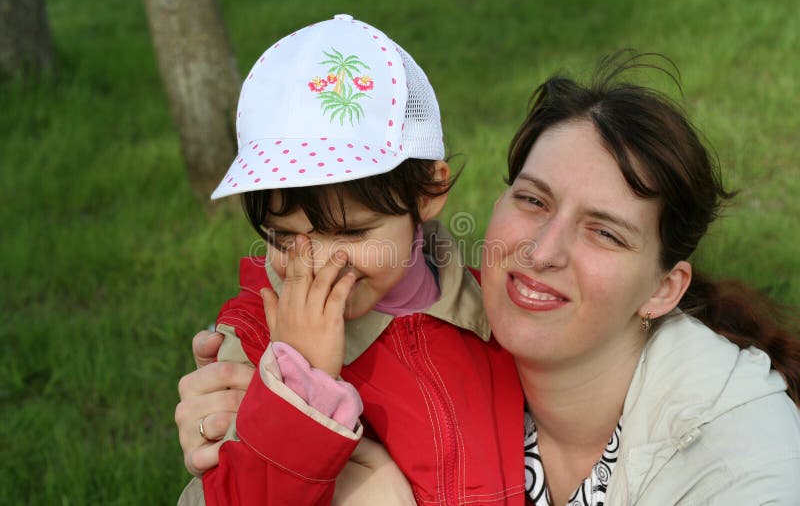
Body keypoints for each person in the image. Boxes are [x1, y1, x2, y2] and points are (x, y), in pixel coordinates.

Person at [177, 52, 800, 505]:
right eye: (532, 200)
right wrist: (284, 402)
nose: (543, 252)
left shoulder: (740, 454)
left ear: (665, 286)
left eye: (604, 232)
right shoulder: (463, 315)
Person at [177, 14, 526, 505]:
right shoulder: (256, 344)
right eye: (284, 236)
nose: (318, 264)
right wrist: (301, 386)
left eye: (351, 231)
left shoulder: (496, 313)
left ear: (429, 191)